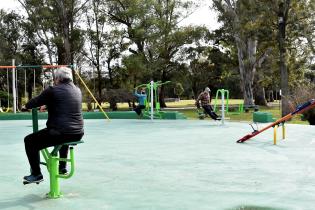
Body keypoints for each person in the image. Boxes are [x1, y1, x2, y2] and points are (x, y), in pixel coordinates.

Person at [22, 67, 84, 184]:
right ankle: (62, 167)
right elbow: (65, 103)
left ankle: (36, 174)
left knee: (30, 141)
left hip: (60, 132)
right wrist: (48, 105)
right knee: (64, 135)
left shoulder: (52, 90)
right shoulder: (77, 90)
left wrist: (26, 106)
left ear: (57, 79)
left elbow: (35, 101)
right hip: (78, 133)